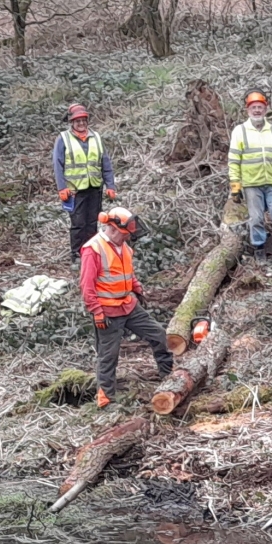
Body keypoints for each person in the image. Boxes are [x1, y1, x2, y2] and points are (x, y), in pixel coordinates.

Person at [80, 206, 173, 409]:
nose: (127, 238)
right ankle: (106, 400)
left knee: (158, 333)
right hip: (107, 311)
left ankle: (168, 375)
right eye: (124, 234)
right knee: (108, 356)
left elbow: (127, 273)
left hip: (127, 304)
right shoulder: (93, 249)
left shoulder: (124, 247)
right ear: (112, 229)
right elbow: (86, 286)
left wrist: (137, 288)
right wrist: (96, 311)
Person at [228, 89, 272, 261]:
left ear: (266, 109)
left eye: (260, 107)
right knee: (255, 218)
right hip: (251, 184)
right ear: (247, 110)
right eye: (254, 107)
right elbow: (234, 160)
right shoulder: (240, 131)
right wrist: (235, 185)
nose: (257, 110)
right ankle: (259, 250)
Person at [53, 103, 116, 259]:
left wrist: (110, 185)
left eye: (83, 120)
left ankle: (92, 253)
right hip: (74, 190)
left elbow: (105, 163)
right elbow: (58, 164)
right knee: (78, 224)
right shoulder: (63, 139)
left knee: (92, 223)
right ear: (72, 122)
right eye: (77, 121)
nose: (81, 123)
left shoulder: (96, 137)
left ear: (87, 121)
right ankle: (76, 254)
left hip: (94, 187)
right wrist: (62, 187)